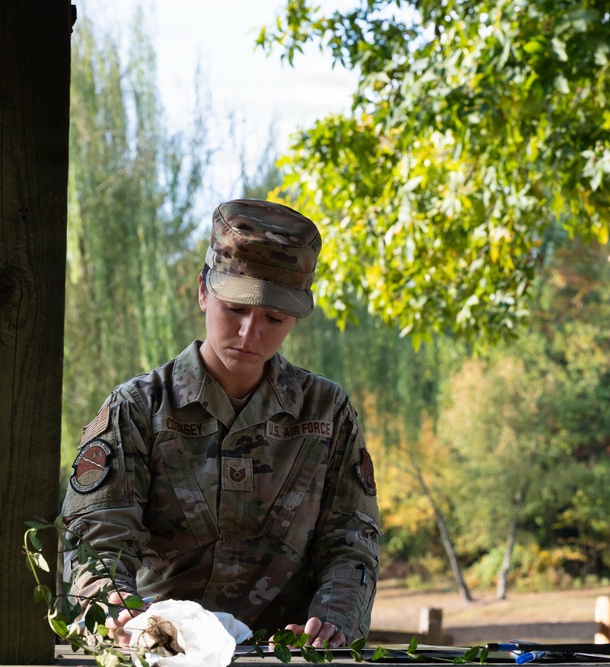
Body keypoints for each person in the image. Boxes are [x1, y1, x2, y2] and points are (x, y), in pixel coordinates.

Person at [61, 198, 380, 649]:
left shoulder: (327, 411)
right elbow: (96, 540)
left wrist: (332, 621)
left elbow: (351, 540)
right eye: (235, 309)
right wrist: (116, 608)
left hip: (284, 653)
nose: (251, 334)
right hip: (161, 648)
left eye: (274, 318)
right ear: (203, 291)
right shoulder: (137, 408)